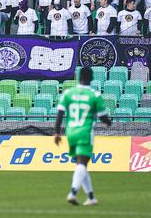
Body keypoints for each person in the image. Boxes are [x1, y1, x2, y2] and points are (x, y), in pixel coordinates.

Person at [55, 67, 111, 206]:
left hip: (71, 132)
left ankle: (91, 197)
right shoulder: (94, 95)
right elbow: (103, 116)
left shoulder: (68, 93)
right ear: (91, 78)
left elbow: (60, 113)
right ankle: (73, 193)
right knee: (82, 164)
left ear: (79, 77)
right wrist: (108, 122)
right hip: (85, 132)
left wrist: (56, 132)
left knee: (81, 165)